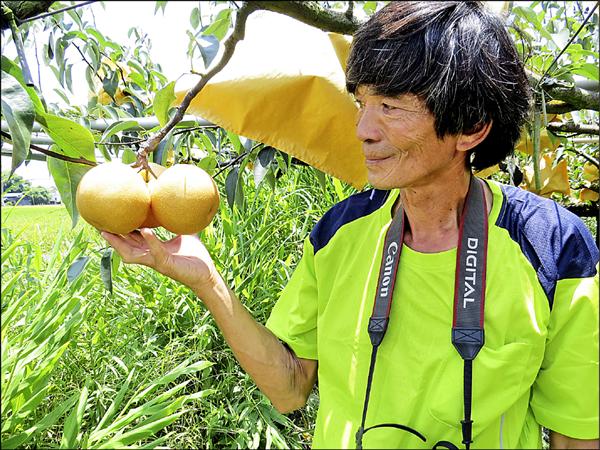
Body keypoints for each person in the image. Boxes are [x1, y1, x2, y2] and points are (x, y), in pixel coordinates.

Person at [102, 2, 599, 449]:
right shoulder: (340, 232)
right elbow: (291, 388)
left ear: (470, 126)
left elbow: (577, 435)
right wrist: (206, 281)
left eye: (391, 106)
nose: (363, 129)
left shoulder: (552, 246)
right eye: (362, 102)